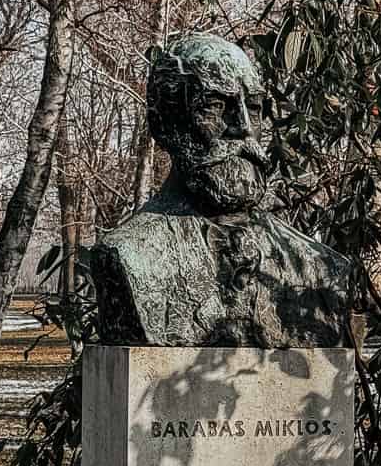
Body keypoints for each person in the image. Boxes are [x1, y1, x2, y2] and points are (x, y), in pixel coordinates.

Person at [89, 33, 349, 347]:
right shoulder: (127, 256)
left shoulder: (319, 266)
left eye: (253, 108)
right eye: (213, 106)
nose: (243, 127)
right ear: (163, 124)